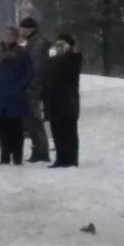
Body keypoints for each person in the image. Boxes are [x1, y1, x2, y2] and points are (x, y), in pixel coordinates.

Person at [0, 28, 35, 165]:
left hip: (16, 96)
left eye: (11, 35)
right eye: (6, 35)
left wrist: (21, 86)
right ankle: (4, 156)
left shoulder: (22, 53)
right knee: (2, 127)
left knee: (16, 127)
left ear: (16, 37)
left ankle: (17, 156)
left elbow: (29, 72)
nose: (8, 37)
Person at [42, 32, 83, 168]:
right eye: (57, 45)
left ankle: (70, 158)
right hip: (54, 100)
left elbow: (68, 71)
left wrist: (66, 53)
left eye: (62, 45)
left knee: (68, 131)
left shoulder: (74, 59)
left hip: (68, 100)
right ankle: (60, 157)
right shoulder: (52, 60)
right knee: (56, 131)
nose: (58, 48)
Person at [17, 16, 52, 163]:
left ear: (29, 29)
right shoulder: (34, 43)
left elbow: (36, 68)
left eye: (23, 28)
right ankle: (38, 149)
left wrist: (31, 86)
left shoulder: (37, 44)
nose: (21, 31)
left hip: (34, 88)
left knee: (34, 119)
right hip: (33, 86)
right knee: (31, 120)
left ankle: (41, 151)